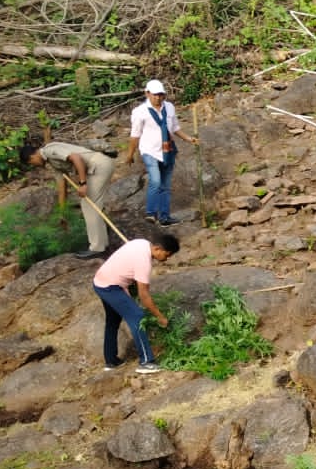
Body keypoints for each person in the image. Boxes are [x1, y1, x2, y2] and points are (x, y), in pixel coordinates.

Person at [92, 234, 177, 374]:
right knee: (137, 317)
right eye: (166, 255)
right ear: (157, 248)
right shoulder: (144, 263)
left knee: (113, 320)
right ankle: (146, 362)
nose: (166, 259)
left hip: (100, 281)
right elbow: (144, 295)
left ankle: (111, 361)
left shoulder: (142, 242)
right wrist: (160, 316)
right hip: (110, 287)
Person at [22, 141, 116, 259]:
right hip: (98, 167)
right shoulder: (52, 164)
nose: (34, 165)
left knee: (89, 205)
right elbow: (62, 188)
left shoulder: (49, 150)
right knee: (92, 205)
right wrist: (63, 213)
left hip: (98, 165)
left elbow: (76, 158)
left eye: (31, 163)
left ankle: (97, 248)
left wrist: (83, 183)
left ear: (32, 156)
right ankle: (102, 244)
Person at [126, 80, 197, 227]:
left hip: (167, 150)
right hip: (149, 150)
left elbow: (175, 128)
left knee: (165, 185)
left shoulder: (169, 107)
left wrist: (189, 139)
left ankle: (164, 217)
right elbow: (135, 135)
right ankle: (151, 213)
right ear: (147, 93)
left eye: (161, 95)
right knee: (156, 180)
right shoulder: (140, 112)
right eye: (155, 95)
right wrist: (130, 154)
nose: (158, 98)